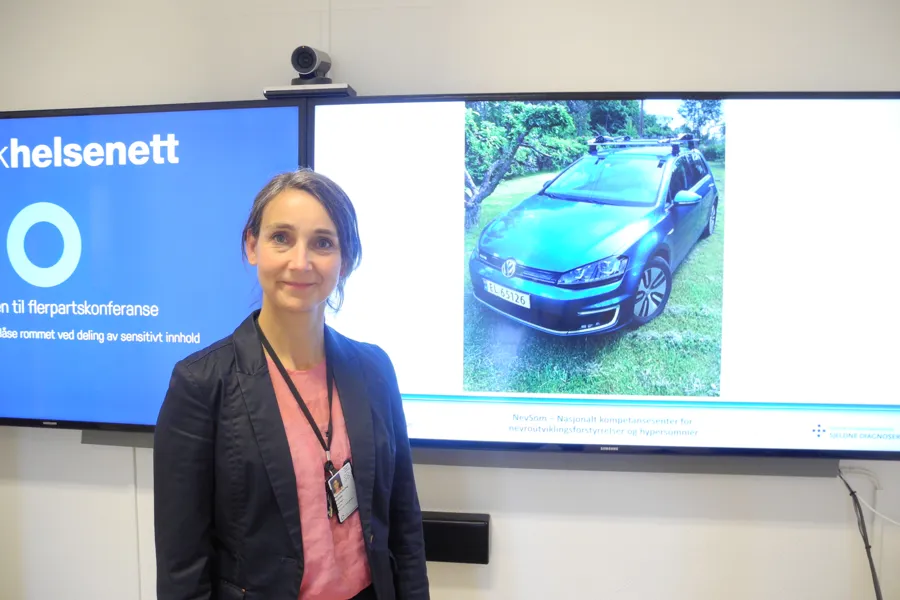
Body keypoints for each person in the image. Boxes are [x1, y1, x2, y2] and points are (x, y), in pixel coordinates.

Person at [153, 169, 430, 600]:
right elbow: (182, 568)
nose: (300, 262)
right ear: (251, 245)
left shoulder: (374, 370)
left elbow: (404, 526)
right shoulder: (201, 383)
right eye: (281, 237)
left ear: (347, 259)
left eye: (323, 242)